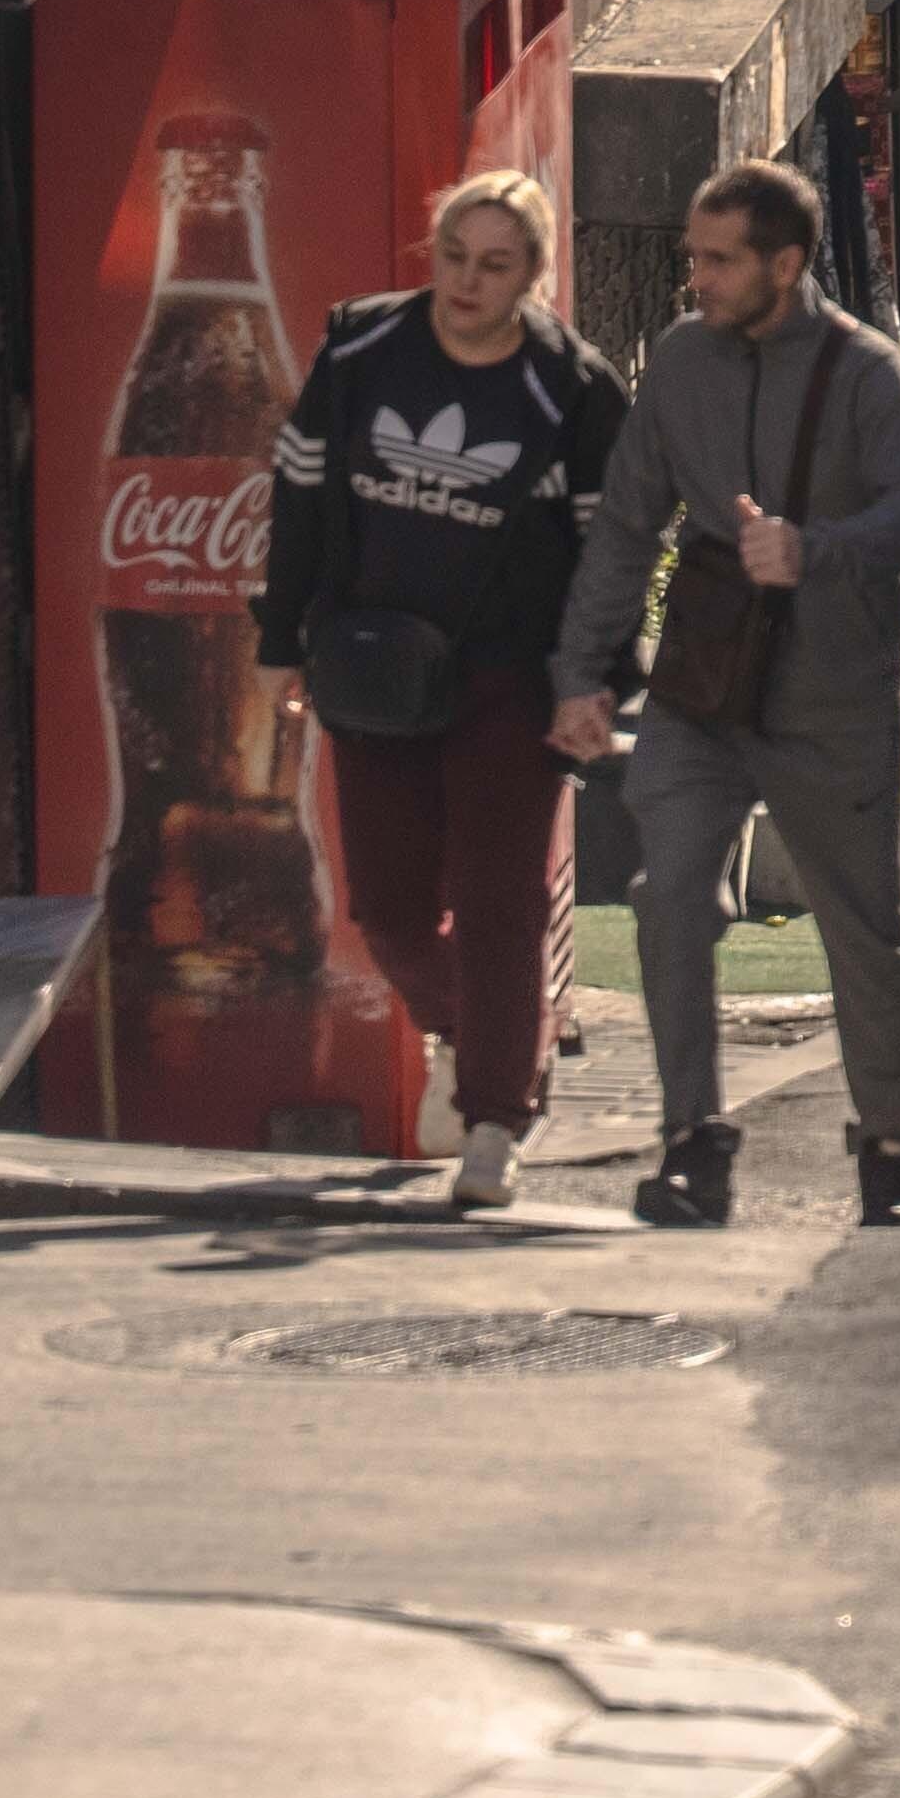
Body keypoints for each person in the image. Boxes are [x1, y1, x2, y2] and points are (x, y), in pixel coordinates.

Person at [552, 156, 900, 1231]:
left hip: (833, 691)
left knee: (863, 926)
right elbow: (629, 522)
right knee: (667, 895)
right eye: (693, 256)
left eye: (718, 260)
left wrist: (813, 550)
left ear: (786, 262)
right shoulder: (680, 363)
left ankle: (887, 1146)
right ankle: (694, 1142)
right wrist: (583, 674)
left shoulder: (865, 369)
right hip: (703, 682)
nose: (698, 277)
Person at [251, 163, 625, 1210]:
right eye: (454, 257)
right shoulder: (363, 348)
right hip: (376, 670)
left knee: (498, 903)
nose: (467, 282)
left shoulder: (574, 389)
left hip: (516, 682)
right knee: (391, 915)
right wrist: (283, 640)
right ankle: (480, 1041)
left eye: (495, 265)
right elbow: (299, 502)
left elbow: (615, 552)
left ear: (533, 278)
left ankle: (496, 1120)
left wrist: (594, 684)